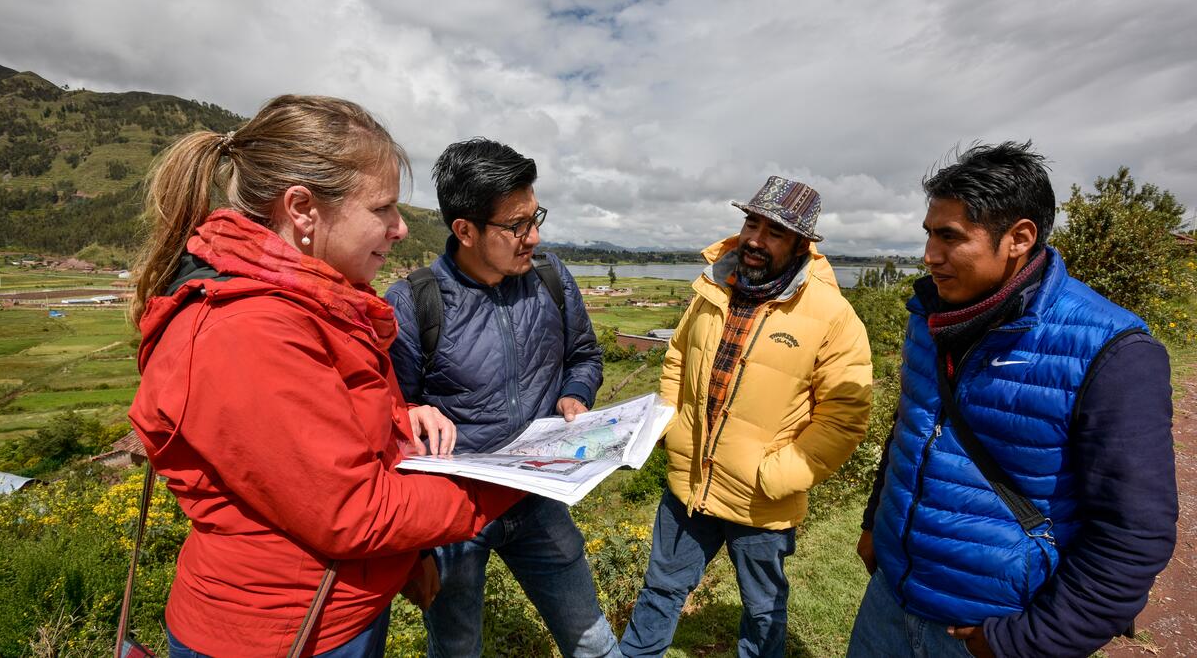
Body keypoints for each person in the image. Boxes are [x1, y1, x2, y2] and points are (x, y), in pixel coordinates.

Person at [127, 96, 521, 657]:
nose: (401, 228)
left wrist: (404, 548)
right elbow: (350, 512)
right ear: (302, 209)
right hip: (281, 634)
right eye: (382, 209)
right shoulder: (249, 329)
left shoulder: (320, 303)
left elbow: (324, 438)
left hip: (334, 609)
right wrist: (513, 481)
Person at [848, 142, 1178, 658]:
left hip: (987, 627)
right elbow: (910, 429)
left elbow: (1133, 534)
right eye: (929, 234)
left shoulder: (1111, 350)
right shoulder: (930, 316)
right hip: (890, 598)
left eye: (950, 237)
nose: (930, 255)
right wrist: (875, 525)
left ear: (1019, 238)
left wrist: (1024, 643)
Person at [619, 176, 873, 657]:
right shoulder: (713, 288)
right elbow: (676, 356)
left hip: (762, 500)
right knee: (660, 591)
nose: (755, 240)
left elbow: (845, 414)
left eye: (774, 232)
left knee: (763, 611)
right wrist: (672, 426)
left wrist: (778, 475)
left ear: (802, 244)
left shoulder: (832, 315)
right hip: (688, 485)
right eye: (751, 223)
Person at [384, 138, 616, 657]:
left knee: (593, 641)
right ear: (464, 230)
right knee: (457, 647)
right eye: (516, 226)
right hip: (454, 512)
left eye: (536, 219)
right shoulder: (412, 304)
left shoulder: (552, 280)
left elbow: (584, 357)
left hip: (537, 498)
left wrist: (575, 395)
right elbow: (387, 416)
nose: (533, 237)